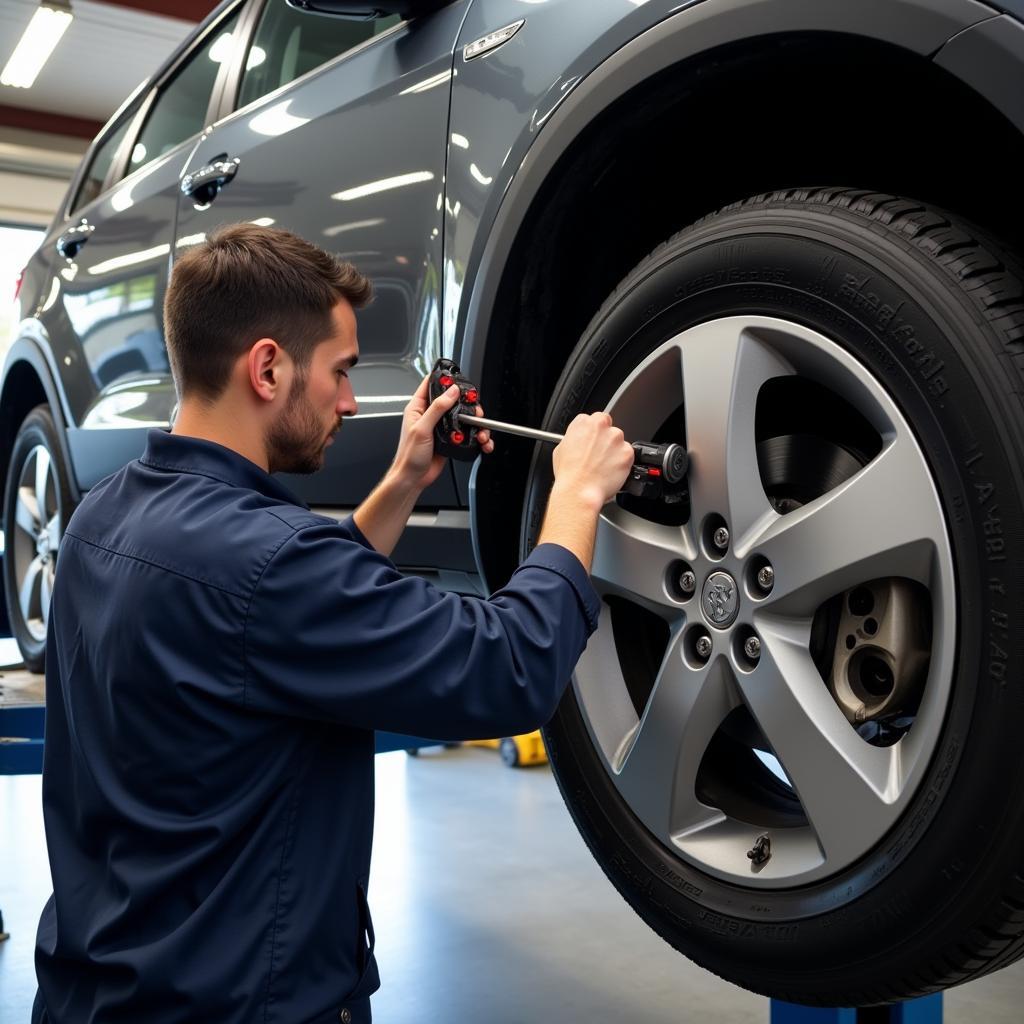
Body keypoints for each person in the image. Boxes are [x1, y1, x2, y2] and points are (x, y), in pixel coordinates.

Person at [33, 224, 634, 1024]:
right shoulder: (274, 564)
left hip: (97, 993)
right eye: (342, 373)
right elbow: (508, 670)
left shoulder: (98, 520)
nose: (353, 402)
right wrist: (578, 499)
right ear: (269, 367)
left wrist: (405, 479)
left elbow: (267, 624)